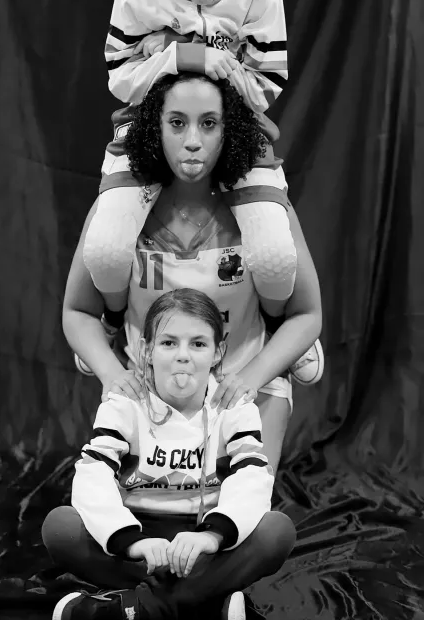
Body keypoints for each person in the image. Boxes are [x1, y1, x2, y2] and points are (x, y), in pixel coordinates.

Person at [63, 72, 323, 474]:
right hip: (150, 393)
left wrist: (252, 377)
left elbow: (308, 314)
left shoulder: (265, 215)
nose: (193, 141)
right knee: (133, 511)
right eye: (177, 122)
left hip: (243, 387)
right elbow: (77, 311)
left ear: (229, 130)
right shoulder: (118, 214)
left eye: (209, 123)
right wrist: (113, 375)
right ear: (154, 128)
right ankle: (116, 326)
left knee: (242, 509)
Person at [84, 0, 298, 342]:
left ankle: (278, 328)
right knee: (104, 251)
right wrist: (188, 56)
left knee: (276, 256)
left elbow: (264, 88)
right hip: (150, 127)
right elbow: (121, 80)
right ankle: (115, 321)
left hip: (232, 128)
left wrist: (173, 50)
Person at [44, 288, 297, 620]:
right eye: (168, 343)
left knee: (276, 531)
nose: (183, 356)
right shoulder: (124, 403)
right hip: (139, 534)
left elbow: (252, 479)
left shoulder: (235, 406)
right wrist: (131, 542)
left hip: (202, 540)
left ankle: (130, 610)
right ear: (146, 350)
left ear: (218, 352)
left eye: (198, 344)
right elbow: (93, 477)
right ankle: (205, 604)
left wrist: (211, 537)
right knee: (61, 527)